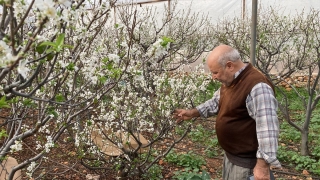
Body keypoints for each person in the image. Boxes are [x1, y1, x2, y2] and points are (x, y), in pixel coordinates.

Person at [173, 45, 281, 180]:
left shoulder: (257, 86)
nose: (213, 77)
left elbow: (268, 129)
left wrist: (262, 166)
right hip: (232, 158)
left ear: (229, 66)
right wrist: (192, 112)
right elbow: (217, 102)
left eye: (215, 72)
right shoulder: (232, 80)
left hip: (247, 165)